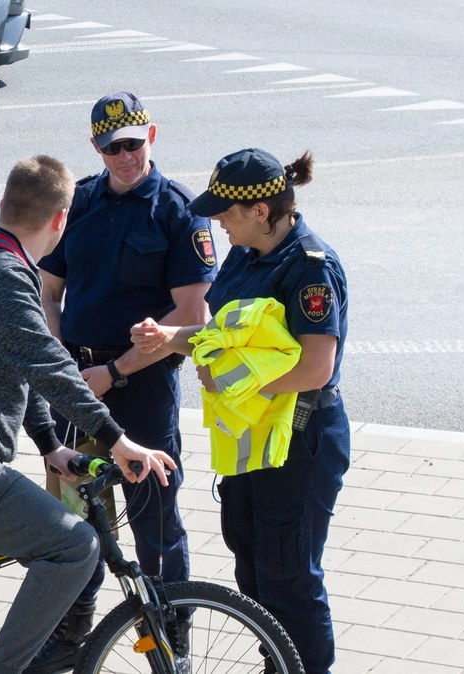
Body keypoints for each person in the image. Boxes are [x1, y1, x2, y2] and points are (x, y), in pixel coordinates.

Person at [0, 155, 176, 674]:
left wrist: (51, 446)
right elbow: (48, 366)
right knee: (73, 548)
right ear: (60, 220)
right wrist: (117, 440)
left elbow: (12, 361)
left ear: (4, 204)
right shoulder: (4, 274)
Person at [131, 148, 349, 674]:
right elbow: (220, 337)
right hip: (256, 436)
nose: (218, 221)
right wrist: (169, 339)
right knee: (254, 575)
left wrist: (230, 383)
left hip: (300, 438)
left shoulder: (310, 268)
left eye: (226, 211)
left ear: (261, 210)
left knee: (290, 579)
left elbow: (316, 368)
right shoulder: (247, 254)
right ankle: (280, 663)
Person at [27, 92, 217, 673]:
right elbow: (48, 288)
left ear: (151, 136)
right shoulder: (78, 202)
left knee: (153, 514)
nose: (125, 156)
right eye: (112, 148)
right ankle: (69, 638)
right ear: (96, 148)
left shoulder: (180, 211)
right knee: (72, 518)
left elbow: (194, 316)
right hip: (77, 377)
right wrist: (60, 357)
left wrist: (113, 372)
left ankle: (168, 638)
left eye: (133, 143)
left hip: (142, 384)